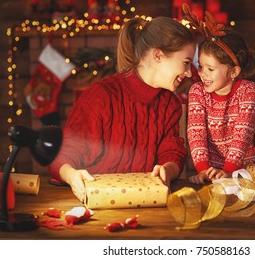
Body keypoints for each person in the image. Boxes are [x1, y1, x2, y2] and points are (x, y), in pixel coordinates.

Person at [48, 16, 196, 201]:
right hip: (95, 202)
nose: (189, 72)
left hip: (144, 202)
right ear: (158, 55)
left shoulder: (170, 104)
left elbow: (172, 153)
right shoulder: (100, 97)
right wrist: (71, 175)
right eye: (186, 62)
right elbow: (63, 155)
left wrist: (168, 169)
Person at [185, 7, 255, 184]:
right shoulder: (197, 92)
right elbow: (195, 133)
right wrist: (204, 170)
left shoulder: (247, 91)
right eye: (201, 66)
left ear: (233, 71)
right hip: (207, 171)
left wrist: (229, 171)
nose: (202, 73)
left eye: (211, 69)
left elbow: (242, 135)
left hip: (242, 172)